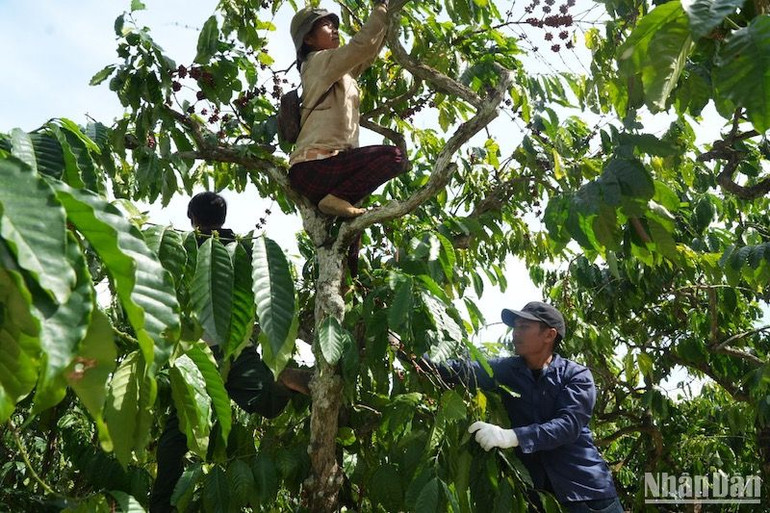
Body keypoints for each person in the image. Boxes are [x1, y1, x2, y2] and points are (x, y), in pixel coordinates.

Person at [149, 192, 312, 513]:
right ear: (222, 220)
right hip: (237, 348)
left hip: (199, 357)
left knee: (173, 441)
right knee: (266, 403)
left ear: (190, 216)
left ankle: (162, 507)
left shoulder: (182, 247)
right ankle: (284, 378)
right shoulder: (246, 249)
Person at [421, 301, 623, 513]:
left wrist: (511, 436)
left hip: (587, 494)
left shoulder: (576, 376)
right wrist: (411, 354)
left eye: (524, 327)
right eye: (515, 327)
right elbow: (462, 370)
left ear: (549, 335)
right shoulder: (507, 370)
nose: (515, 333)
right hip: (536, 499)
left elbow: (568, 425)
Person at [287, 0, 407, 218]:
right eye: (326, 25)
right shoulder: (318, 62)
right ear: (308, 38)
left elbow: (367, 54)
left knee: (350, 234)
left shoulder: (340, 71)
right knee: (394, 157)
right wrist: (380, 8)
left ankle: (335, 204)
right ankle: (334, 200)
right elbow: (361, 47)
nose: (334, 29)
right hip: (317, 165)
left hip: (326, 171)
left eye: (334, 25)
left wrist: (387, 17)